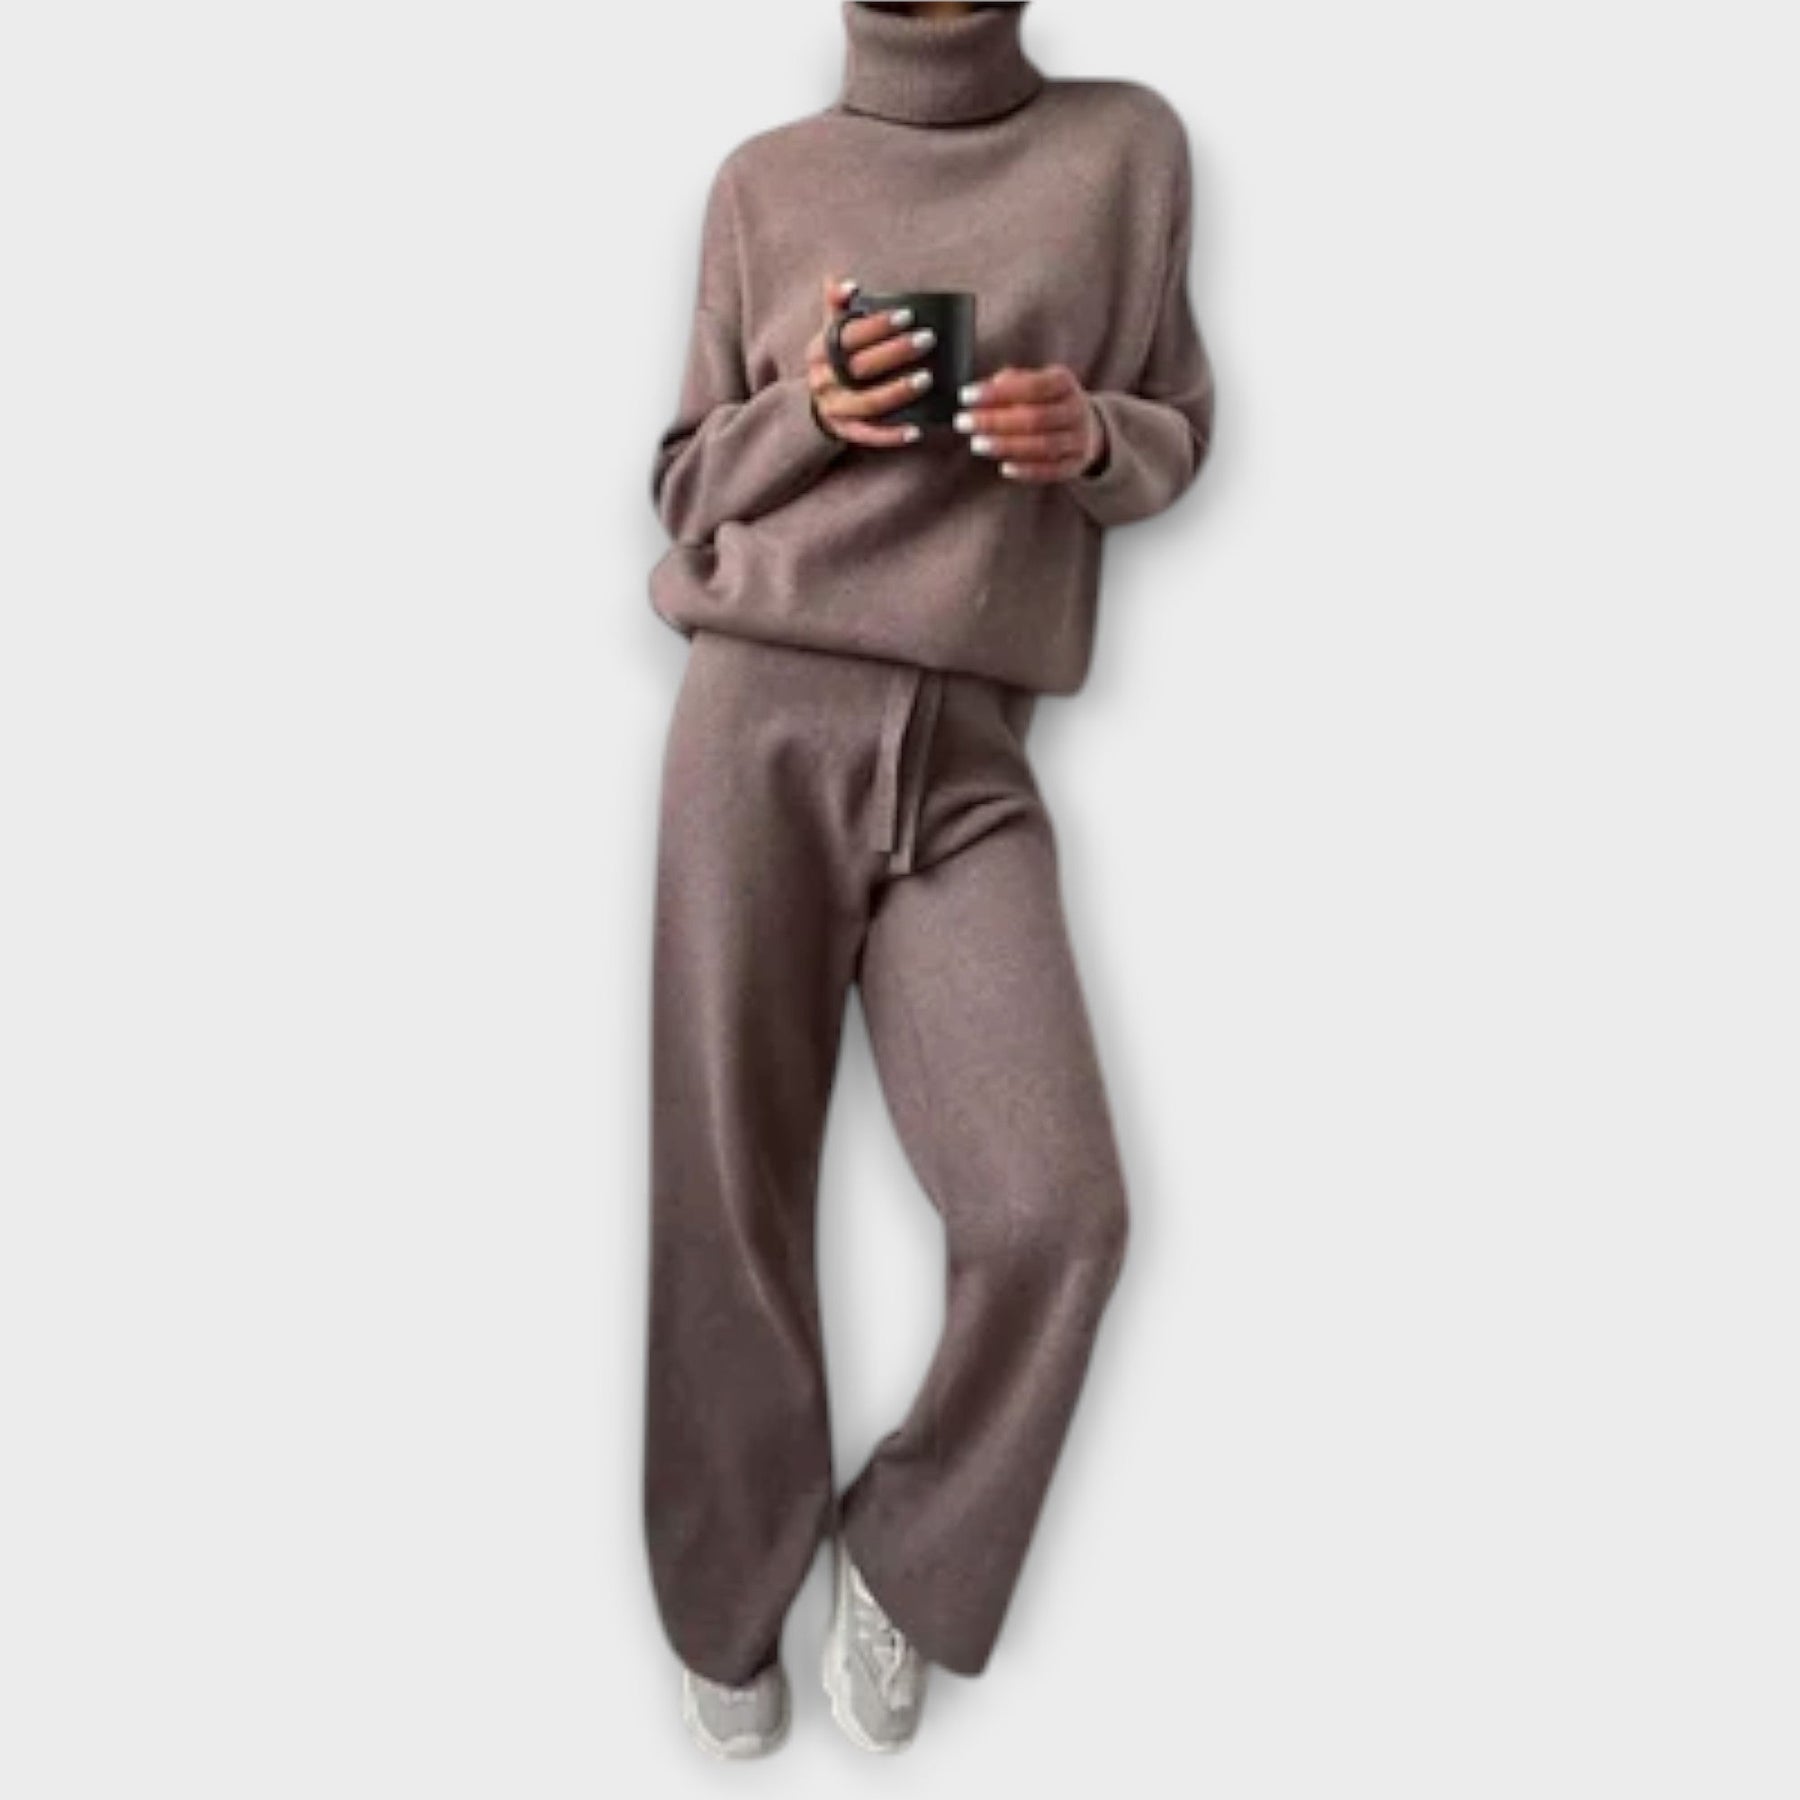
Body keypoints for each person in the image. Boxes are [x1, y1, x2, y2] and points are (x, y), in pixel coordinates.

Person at [643, 0, 1215, 1759]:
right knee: (728, 1191)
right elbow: (681, 487)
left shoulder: (1125, 151)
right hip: (758, 718)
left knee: (1059, 1211)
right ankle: (724, 1596)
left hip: (969, 749)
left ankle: (911, 1551)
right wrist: (810, 411)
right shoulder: (765, 182)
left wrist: (1091, 439)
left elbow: (1179, 425)